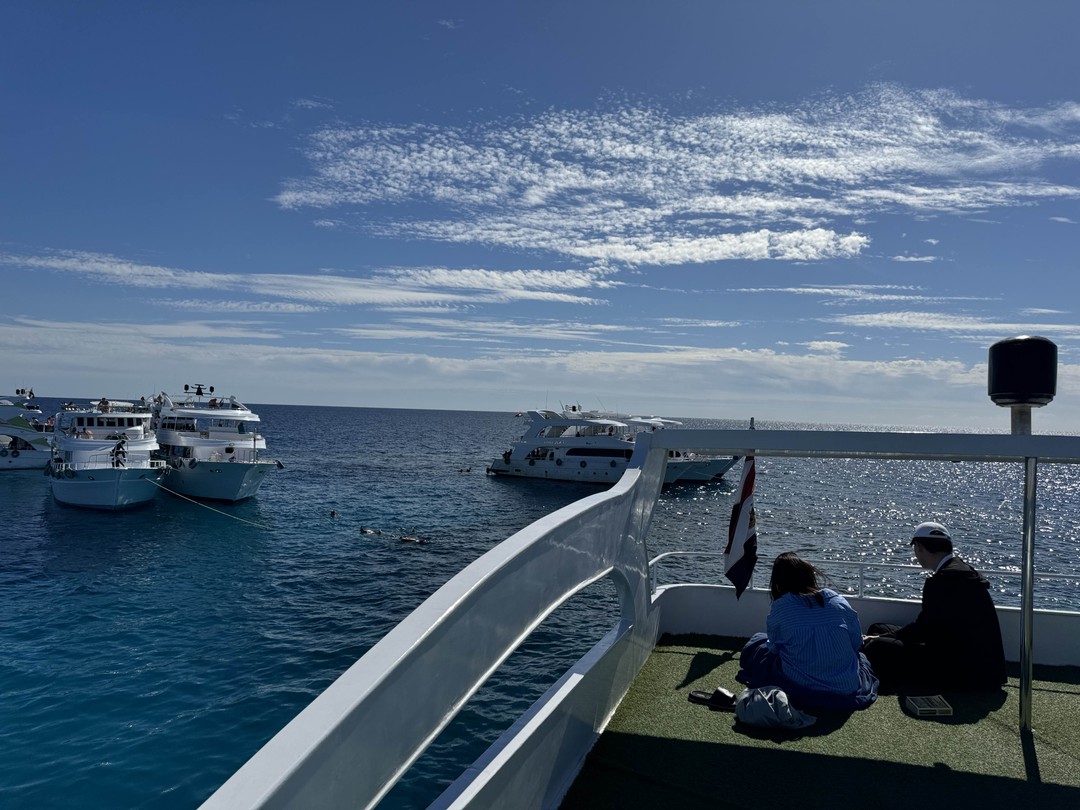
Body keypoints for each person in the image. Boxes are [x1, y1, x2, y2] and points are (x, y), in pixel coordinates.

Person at [861, 521, 1006, 692]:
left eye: (915, 549)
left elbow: (924, 629)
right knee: (877, 629)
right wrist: (883, 635)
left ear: (920, 547)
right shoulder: (964, 571)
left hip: (960, 668)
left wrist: (879, 639)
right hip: (981, 664)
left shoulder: (940, 581)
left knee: (875, 646)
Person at [736, 552, 878, 710]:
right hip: (845, 686)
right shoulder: (837, 600)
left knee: (758, 642)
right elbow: (856, 643)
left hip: (800, 684)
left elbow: (774, 648)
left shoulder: (782, 607)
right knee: (862, 659)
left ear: (778, 583)